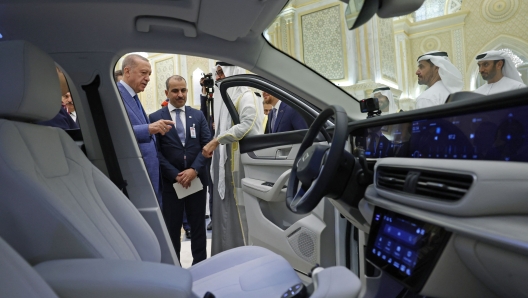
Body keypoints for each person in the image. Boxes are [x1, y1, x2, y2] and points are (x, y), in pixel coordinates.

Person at [202, 62, 263, 255]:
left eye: (222, 73)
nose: (219, 77)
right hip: (225, 164)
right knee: (224, 211)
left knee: (240, 212)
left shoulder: (247, 96)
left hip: (239, 165)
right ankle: (224, 257)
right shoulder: (224, 100)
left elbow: (247, 124)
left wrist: (216, 141)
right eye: (217, 73)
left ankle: (242, 257)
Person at [149, 75, 211, 265]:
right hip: (171, 183)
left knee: (198, 226)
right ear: (167, 93)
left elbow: (207, 145)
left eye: (183, 90)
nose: (180, 94)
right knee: (172, 228)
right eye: (175, 91)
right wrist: (175, 175)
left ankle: (200, 265)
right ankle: (174, 267)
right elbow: (156, 152)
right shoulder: (156, 118)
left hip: (196, 180)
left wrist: (194, 170)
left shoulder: (198, 115)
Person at [117, 54, 174, 205]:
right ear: (127, 71)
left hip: (149, 173)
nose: (148, 78)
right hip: (135, 177)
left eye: (149, 74)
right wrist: (148, 129)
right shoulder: (116, 95)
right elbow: (115, 132)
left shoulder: (133, 97)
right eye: (144, 73)